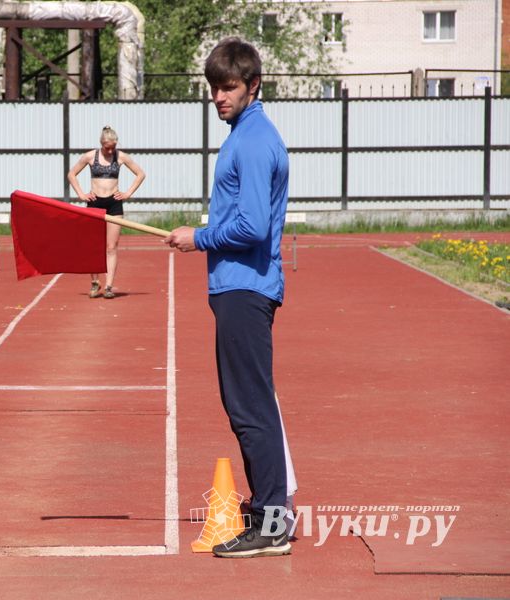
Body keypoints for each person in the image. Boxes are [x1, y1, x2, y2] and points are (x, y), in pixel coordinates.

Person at [164, 37, 294, 558]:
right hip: (236, 286)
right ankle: (268, 511)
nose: (219, 96)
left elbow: (253, 224)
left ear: (253, 86)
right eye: (214, 88)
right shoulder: (245, 133)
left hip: (246, 286)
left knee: (249, 406)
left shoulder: (255, 139)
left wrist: (199, 236)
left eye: (229, 87)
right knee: (246, 403)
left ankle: (270, 523)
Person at [67, 125, 145, 299]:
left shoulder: (121, 156)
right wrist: (81, 194)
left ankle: (109, 286)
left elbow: (140, 174)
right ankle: (95, 282)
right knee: (93, 246)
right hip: (94, 203)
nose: (110, 150)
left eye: (113, 147)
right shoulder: (90, 156)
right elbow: (72, 174)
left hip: (114, 204)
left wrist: (127, 193)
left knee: (111, 247)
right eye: (107, 147)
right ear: (101, 144)